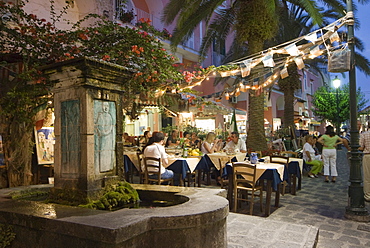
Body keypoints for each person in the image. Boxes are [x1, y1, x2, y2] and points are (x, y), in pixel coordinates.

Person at [359, 130, 370, 202]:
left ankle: (368, 195)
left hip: (368, 155)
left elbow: (361, 147)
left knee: (367, 177)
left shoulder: (364, 134)